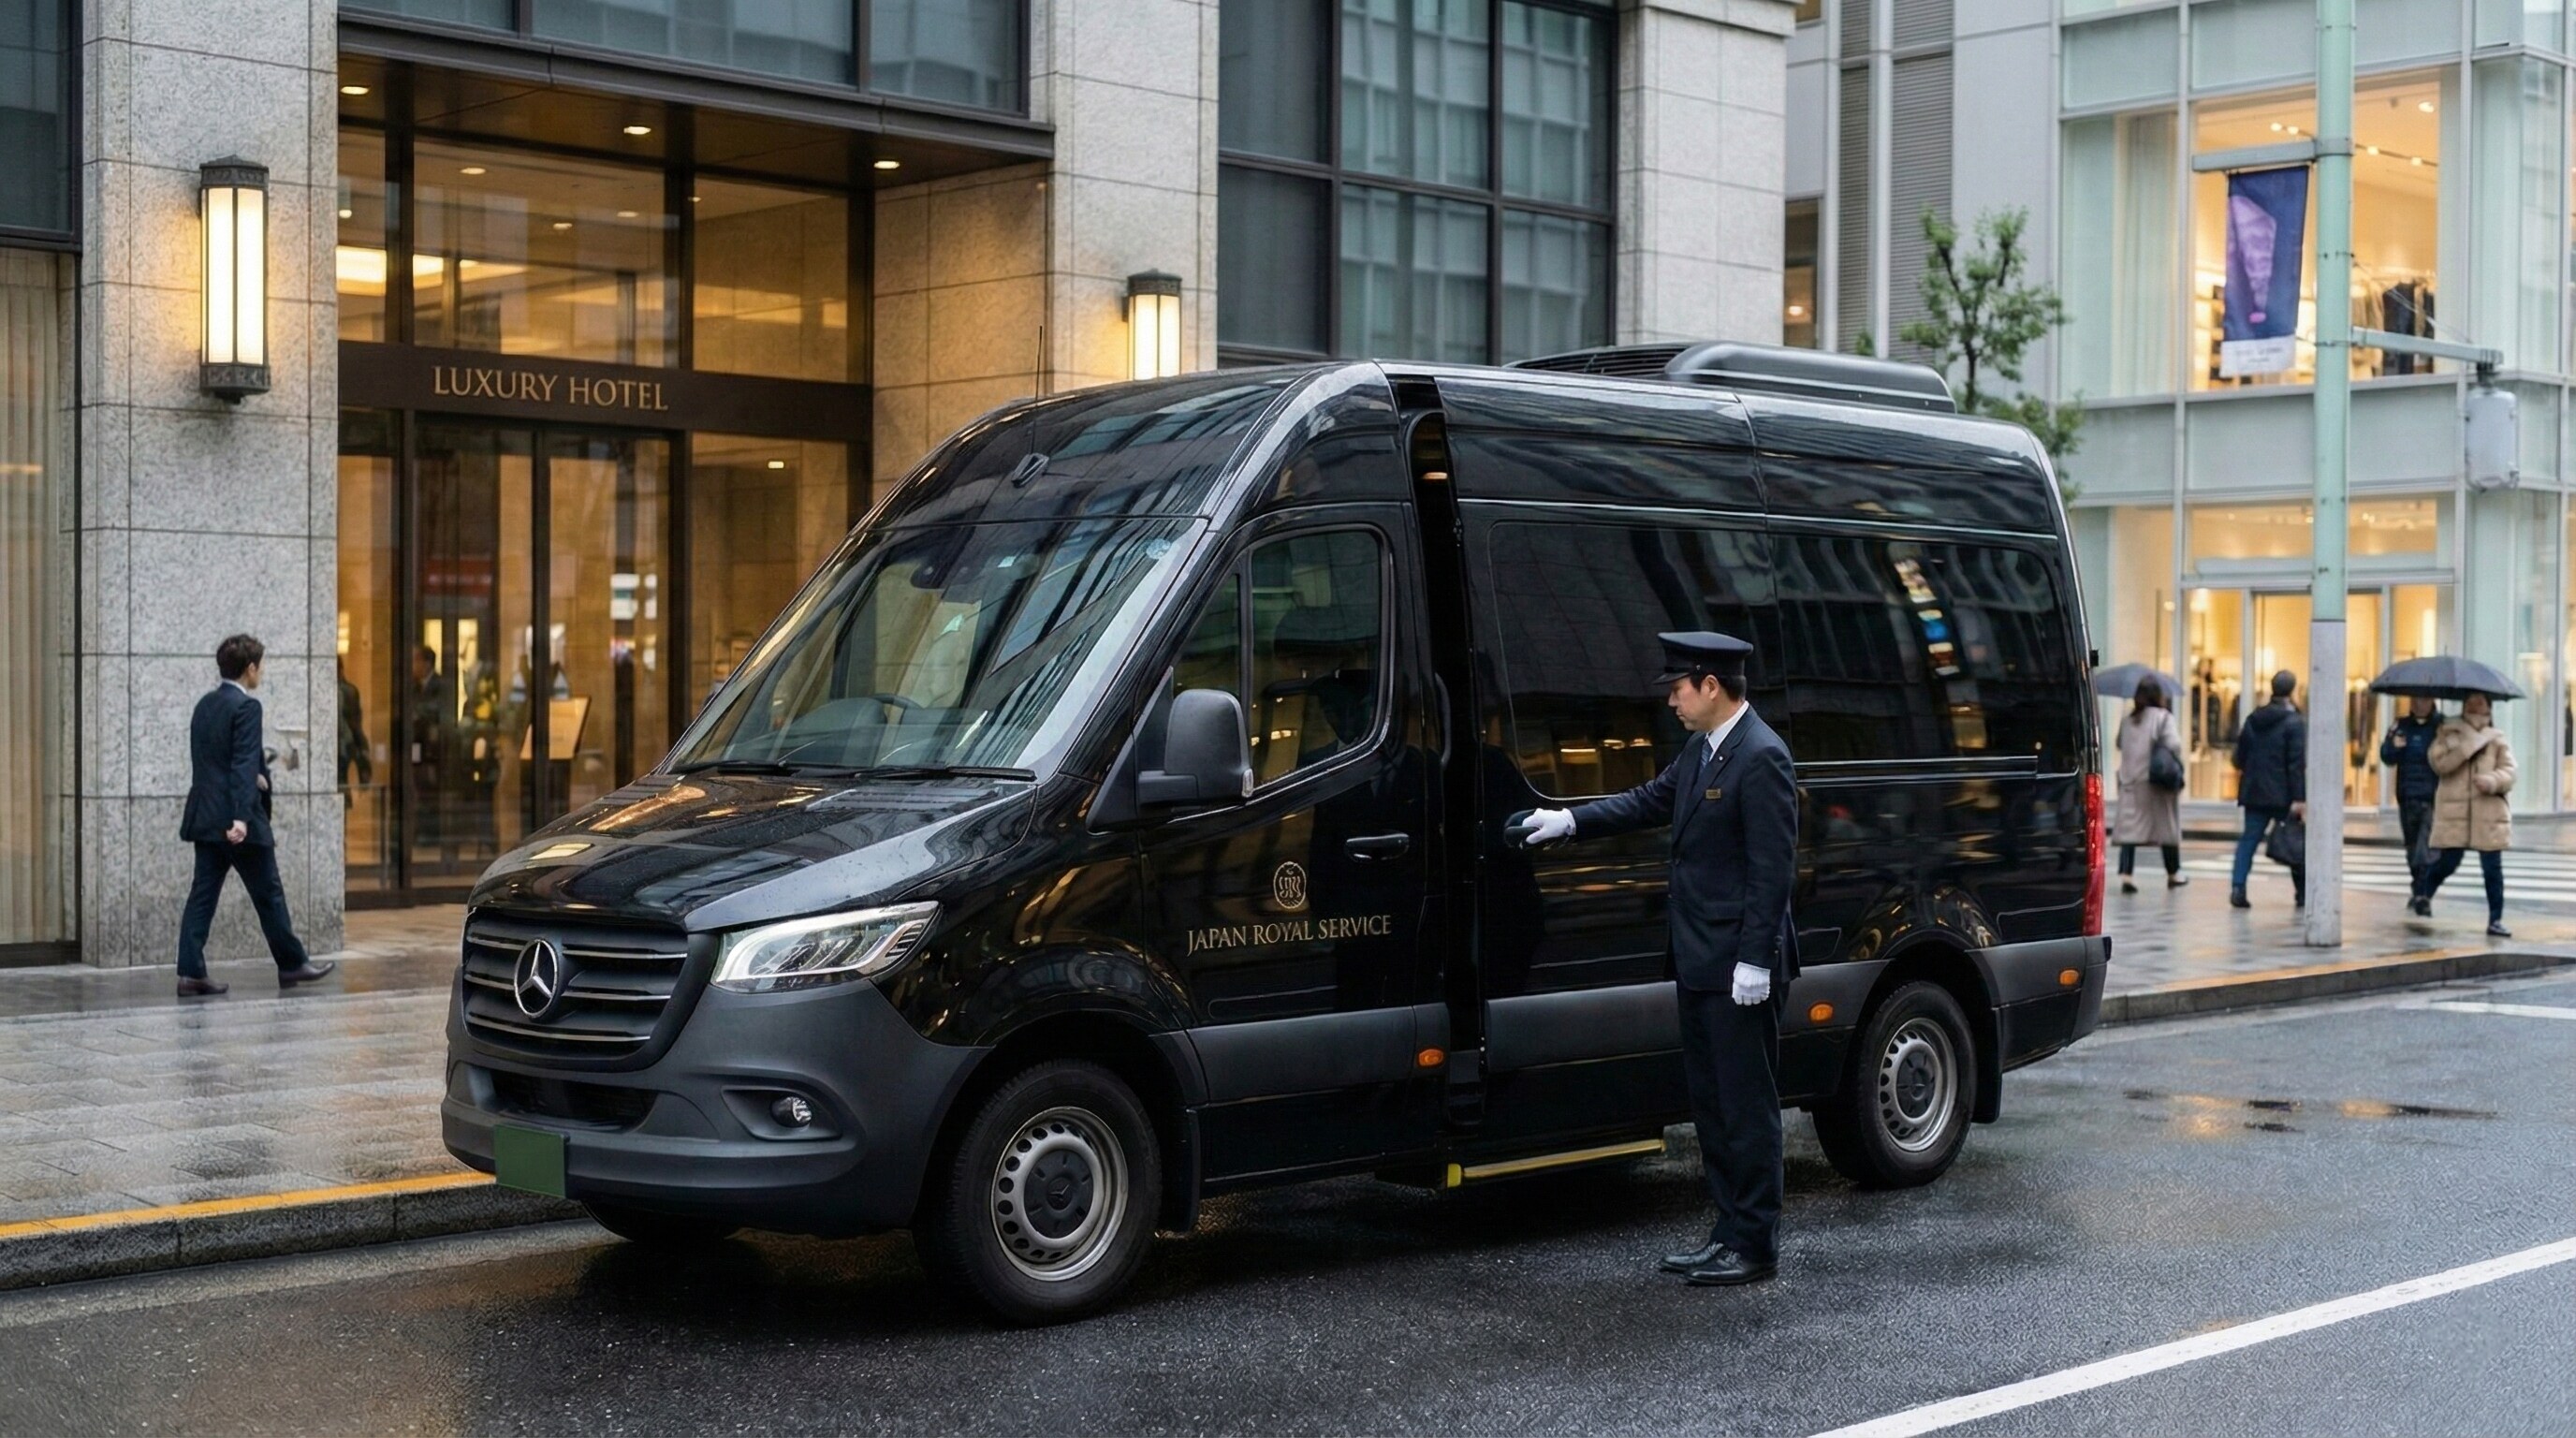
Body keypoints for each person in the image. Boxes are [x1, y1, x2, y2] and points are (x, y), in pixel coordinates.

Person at [1516, 631, 1799, 1287]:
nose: (1671, 700)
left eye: (1678, 688)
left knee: (1746, 1107)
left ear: (1711, 686)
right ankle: (1727, 1232)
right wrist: (1570, 821)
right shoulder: (1704, 749)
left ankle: (1755, 1244)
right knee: (1712, 1105)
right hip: (1698, 958)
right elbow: (1648, 801)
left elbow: (1772, 869)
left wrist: (1756, 960)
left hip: (1739, 969)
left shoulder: (1762, 756)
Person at [175, 635, 339, 997]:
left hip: (206, 817)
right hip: (239, 822)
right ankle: (292, 964)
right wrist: (241, 818)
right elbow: (241, 761)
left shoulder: (205, 704)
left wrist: (256, 776)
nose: (261, 673)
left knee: (202, 896)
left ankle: (190, 972)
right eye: (260, 667)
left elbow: (215, 760)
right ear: (250, 669)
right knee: (269, 894)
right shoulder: (248, 707)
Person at [2421, 692, 2515, 938]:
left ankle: (2495, 920)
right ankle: (2424, 894)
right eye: (2471, 701)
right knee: (2448, 862)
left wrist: (2492, 781)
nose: (2475, 705)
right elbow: (2439, 764)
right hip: (2456, 812)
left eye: (2481, 702)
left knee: (2492, 868)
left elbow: (2510, 772)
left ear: (2489, 708)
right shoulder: (2448, 732)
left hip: (2489, 813)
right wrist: (2465, 747)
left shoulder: (2497, 739)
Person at [2229, 668, 2307, 910]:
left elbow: (2239, 757)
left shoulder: (2254, 719)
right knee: (2294, 839)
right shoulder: (2294, 722)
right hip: (2282, 793)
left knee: (2248, 840)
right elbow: (2295, 763)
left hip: (2254, 790)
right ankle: (2302, 892)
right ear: (2292, 690)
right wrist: (2299, 797)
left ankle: (2238, 887)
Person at [2114, 676, 2187, 892]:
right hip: (2155, 782)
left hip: (2130, 782)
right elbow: (2174, 745)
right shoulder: (2163, 718)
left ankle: (2127, 876)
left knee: (2130, 832)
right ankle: (2173, 873)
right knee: (2166, 828)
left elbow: (2119, 743)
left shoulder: (2128, 720)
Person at [2380, 695, 2443, 911]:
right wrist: (2394, 746)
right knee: (2411, 846)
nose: (2418, 704)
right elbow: (2386, 756)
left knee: (2425, 847)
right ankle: (2418, 887)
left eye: (2423, 700)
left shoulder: (2440, 726)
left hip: (2432, 796)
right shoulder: (2401, 726)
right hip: (2407, 795)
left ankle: (2422, 893)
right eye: (2414, 700)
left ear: (2431, 701)